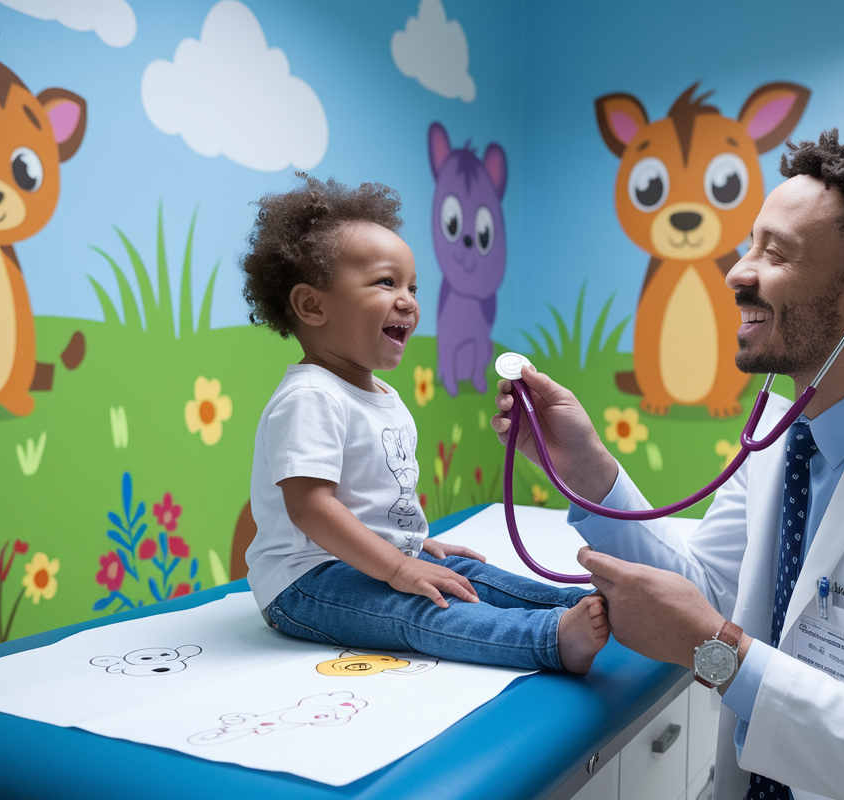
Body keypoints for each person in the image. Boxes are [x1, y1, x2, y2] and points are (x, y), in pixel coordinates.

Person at [494, 130, 844, 799]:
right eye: (750, 242)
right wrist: (587, 469)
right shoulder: (780, 433)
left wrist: (715, 654)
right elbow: (710, 589)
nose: (737, 271)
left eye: (776, 253)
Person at [240, 174, 609, 674]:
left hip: (366, 560)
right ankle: (547, 639)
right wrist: (396, 565)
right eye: (386, 282)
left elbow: (371, 500)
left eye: (413, 286)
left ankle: (572, 605)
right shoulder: (311, 396)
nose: (409, 300)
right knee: (418, 609)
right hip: (308, 582)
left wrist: (414, 545)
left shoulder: (381, 396)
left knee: (465, 572)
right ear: (312, 305)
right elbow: (310, 507)